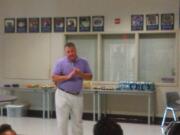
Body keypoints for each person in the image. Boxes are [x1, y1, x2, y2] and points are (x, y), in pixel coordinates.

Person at [52, 42, 92, 135]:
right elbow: (54, 77)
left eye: (72, 51)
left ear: (75, 50)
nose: (70, 53)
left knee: (77, 121)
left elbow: (90, 76)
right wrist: (67, 76)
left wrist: (80, 74)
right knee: (62, 122)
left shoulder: (83, 62)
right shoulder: (60, 62)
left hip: (77, 95)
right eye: (68, 52)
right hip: (62, 95)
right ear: (66, 53)